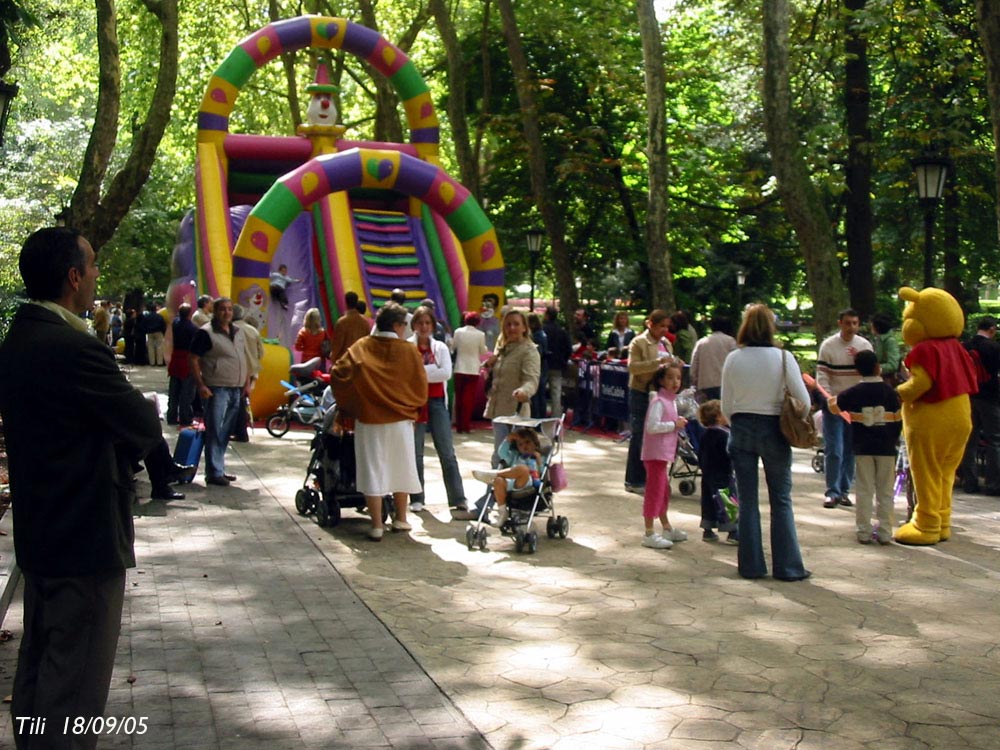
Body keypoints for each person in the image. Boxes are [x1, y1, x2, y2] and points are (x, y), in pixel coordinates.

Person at [0, 227, 163, 748]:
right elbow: (141, 422)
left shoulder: (20, 338)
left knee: (40, 669)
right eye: (91, 266)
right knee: (74, 691)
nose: (96, 276)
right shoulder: (73, 347)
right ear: (73, 277)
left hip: (42, 534)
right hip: (85, 539)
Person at [721, 303, 811, 581]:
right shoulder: (783, 358)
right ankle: (787, 566)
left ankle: (751, 565)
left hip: (742, 427)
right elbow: (804, 402)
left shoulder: (734, 359)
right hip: (775, 430)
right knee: (781, 499)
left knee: (748, 501)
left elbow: (725, 405)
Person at [330, 302, 426, 540]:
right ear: (396, 325)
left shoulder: (362, 347)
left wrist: (352, 404)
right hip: (400, 419)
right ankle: (401, 519)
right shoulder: (408, 351)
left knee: (373, 467)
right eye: (405, 324)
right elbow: (420, 385)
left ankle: (376, 525)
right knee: (402, 466)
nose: (406, 329)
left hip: (369, 419)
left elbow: (338, 374)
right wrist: (408, 404)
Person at [828, 350, 903, 544]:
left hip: (862, 448)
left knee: (864, 490)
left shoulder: (852, 393)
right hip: (886, 449)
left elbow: (834, 407)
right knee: (885, 491)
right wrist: (892, 440)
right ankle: (885, 532)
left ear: (857, 370)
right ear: (878, 367)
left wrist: (831, 400)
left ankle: (863, 531)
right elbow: (898, 420)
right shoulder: (890, 392)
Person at [409, 305, 472, 519]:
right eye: (420, 323)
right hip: (414, 403)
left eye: (428, 323)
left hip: (436, 402)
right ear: (414, 325)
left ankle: (458, 498)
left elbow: (445, 373)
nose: (424, 327)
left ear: (433, 325)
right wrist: (428, 372)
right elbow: (405, 374)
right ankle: (416, 498)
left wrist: (419, 372)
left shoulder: (441, 348)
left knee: (446, 451)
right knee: (415, 452)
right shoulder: (407, 348)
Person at [190, 297, 250, 486]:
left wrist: (246, 382)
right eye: (223, 309)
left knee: (226, 431)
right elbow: (193, 359)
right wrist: (200, 385)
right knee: (215, 430)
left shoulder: (237, 331)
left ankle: (219, 467)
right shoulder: (206, 333)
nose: (227, 312)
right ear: (215, 311)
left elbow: (243, 358)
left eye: (230, 309)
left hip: (236, 388)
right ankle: (214, 472)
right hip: (216, 387)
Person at [816, 308, 872, 509]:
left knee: (851, 450)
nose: (851, 327)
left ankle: (844, 490)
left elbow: (870, 372)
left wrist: (860, 358)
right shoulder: (828, 346)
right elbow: (822, 376)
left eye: (855, 323)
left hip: (856, 405)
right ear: (840, 323)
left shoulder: (864, 346)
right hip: (834, 405)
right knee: (835, 449)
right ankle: (832, 491)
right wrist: (830, 398)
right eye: (848, 323)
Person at [482, 309, 541, 467]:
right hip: (499, 409)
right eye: (508, 324)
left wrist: (524, 391)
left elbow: (532, 379)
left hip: (517, 411)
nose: (512, 328)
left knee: (513, 456)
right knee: (499, 454)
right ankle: (496, 490)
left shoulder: (529, 350)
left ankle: (508, 490)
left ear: (524, 327)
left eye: (516, 324)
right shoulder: (502, 348)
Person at [625, 309, 675, 494]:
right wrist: (657, 363)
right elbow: (633, 367)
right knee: (639, 434)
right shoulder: (638, 342)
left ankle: (653, 478)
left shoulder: (666, 343)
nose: (664, 330)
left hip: (660, 394)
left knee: (656, 437)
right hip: (641, 392)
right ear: (651, 324)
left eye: (667, 326)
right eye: (661, 326)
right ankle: (634, 479)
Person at [640, 363, 689, 549]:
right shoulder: (659, 402)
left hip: (663, 454)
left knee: (663, 491)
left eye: (678, 378)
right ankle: (649, 532)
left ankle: (666, 527)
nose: (675, 381)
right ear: (661, 380)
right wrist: (674, 425)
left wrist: (678, 434)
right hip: (655, 455)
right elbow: (652, 427)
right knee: (654, 491)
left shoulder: (671, 401)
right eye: (670, 377)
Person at [959, 316, 1000, 494]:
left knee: (969, 439)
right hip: (990, 397)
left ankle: (970, 481)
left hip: (968, 396)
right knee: (994, 440)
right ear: (991, 329)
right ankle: (993, 484)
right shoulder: (993, 348)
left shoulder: (964, 346)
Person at [472, 427, 543, 528]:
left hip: (528, 482)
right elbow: (502, 453)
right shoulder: (514, 456)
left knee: (523, 469)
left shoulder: (539, 456)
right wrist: (507, 440)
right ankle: (502, 512)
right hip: (511, 482)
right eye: (520, 444)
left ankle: (492, 474)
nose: (524, 446)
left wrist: (539, 461)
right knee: (498, 481)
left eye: (527, 442)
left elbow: (543, 473)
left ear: (535, 444)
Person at [697, 399, 738, 544]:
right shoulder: (725, 435)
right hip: (723, 473)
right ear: (719, 416)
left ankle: (708, 529)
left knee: (708, 500)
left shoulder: (705, 434)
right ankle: (733, 531)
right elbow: (730, 453)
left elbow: (700, 453)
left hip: (707, 474)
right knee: (728, 501)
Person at [451, 311, 488, 433]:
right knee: (468, 399)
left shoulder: (458, 332)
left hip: (459, 367)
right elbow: (483, 351)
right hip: (473, 368)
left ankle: (458, 426)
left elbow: (454, 346)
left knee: (459, 398)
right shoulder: (480, 334)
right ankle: (466, 425)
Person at [232, 303, 264, 442]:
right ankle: (241, 429)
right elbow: (261, 352)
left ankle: (239, 431)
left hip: (236, 370)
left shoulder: (231, 329)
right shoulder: (253, 330)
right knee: (243, 401)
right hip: (251, 370)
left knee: (236, 402)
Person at [690, 313, 737, 401]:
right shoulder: (730, 341)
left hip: (704, 386)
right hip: (725, 385)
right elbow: (736, 364)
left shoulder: (701, 343)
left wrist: (695, 383)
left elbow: (694, 366)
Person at [166, 302, 198, 427]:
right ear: (190, 314)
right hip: (187, 360)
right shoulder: (193, 328)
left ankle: (172, 415)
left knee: (174, 390)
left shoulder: (175, 324)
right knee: (187, 392)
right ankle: (185, 417)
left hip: (176, 358)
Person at [542, 306, 572, 419]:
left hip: (544, 364)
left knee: (540, 390)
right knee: (556, 392)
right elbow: (569, 348)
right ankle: (556, 417)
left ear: (547, 315)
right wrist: (563, 360)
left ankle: (541, 413)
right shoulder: (562, 331)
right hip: (558, 365)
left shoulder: (543, 330)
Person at [328, 291, 371, 363]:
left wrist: (332, 359)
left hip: (344, 362)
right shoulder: (365, 322)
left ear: (346, 303)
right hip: (359, 361)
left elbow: (337, 346)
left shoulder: (342, 322)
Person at [870, 312, 902, 386]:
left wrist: (874, 368)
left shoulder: (890, 341)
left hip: (887, 382)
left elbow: (893, 365)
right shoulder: (878, 340)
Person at [528, 313, 549, 418]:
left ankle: (536, 418)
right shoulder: (542, 334)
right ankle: (540, 417)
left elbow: (538, 353)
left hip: (538, 368)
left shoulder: (537, 336)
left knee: (536, 395)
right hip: (543, 368)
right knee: (541, 395)